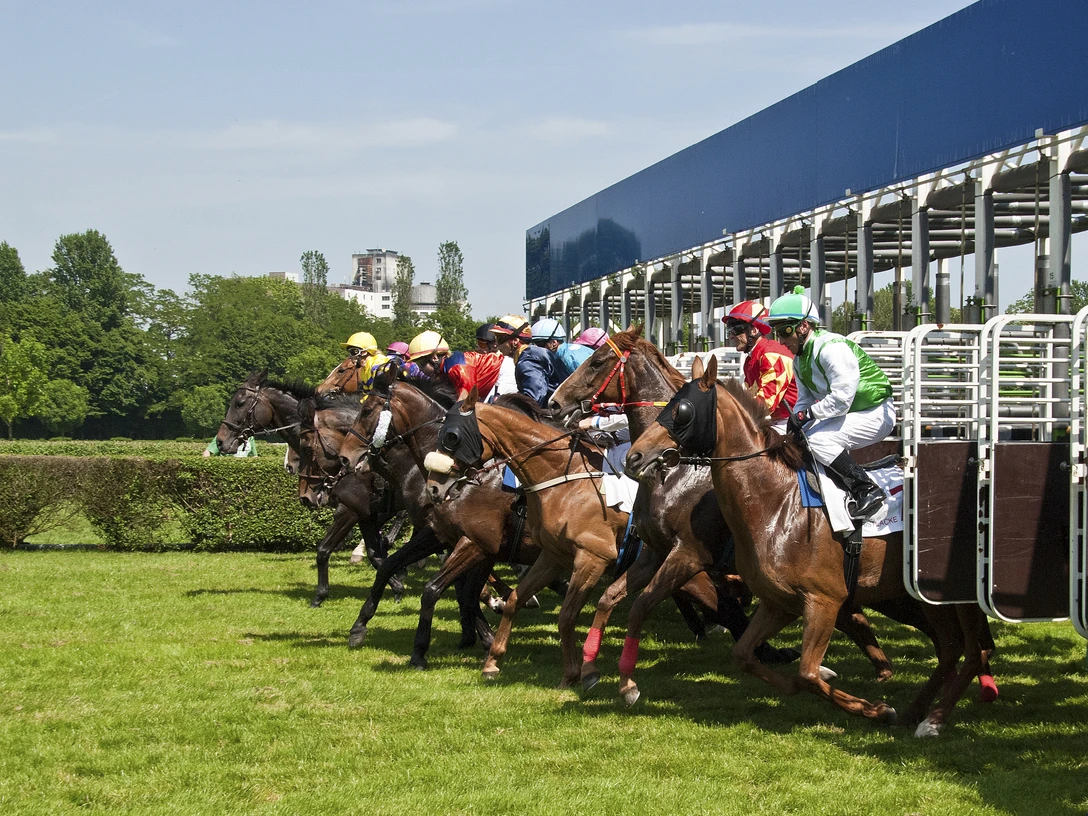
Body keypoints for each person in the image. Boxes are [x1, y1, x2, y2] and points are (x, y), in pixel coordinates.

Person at [765, 286, 894, 520]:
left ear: (803, 327)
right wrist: (794, 425)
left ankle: (866, 490)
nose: (781, 340)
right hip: (847, 413)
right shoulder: (799, 360)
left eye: (785, 331)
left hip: (875, 412)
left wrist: (805, 416)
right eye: (776, 333)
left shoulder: (831, 348)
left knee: (818, 440)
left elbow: (841, 400)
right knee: (800, 439)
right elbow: (803, 400)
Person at [723, 300, 797, 427]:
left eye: (736, 329)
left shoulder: (771, 355)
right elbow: (750, 396)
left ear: (753, 330)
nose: (731, 336)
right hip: (777, 420)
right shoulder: (750, 359)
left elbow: (766, 403)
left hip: (794, 421)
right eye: (729, 331)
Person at [516, 317, 567, 406]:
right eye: (533, 343)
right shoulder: (562, 355)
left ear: (554, 342)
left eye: (539, 344)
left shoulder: (567, 357)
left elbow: (535, 398)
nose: (536, 348)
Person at [338, 331, 393, 396]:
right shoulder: (364, 370)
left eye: (353, 352)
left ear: (364, 352)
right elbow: (367, 394)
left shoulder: (378, 362)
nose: (350, 356)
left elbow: (382, 392)